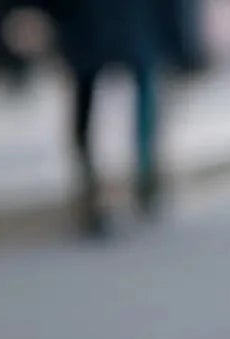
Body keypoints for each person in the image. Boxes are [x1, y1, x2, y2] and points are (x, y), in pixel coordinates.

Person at [48, 0, 166, 235]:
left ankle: (140, 173)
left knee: (135, 88)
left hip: (123, 20)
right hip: (89, 21)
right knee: (89, 97)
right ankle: (93, 186)